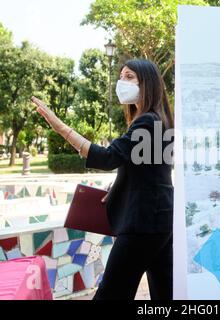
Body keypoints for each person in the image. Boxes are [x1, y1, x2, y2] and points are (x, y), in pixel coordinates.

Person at [31, 59, 174, 300]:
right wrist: (120, 185)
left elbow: (108, 158)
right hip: (159, 221)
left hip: (142, 223)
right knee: (165, 293)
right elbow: (148, 172)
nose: (121, 82)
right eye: (121, 76)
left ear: (146, 82)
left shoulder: (147, 121)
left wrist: (61, 128)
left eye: (129, 77)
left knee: (111, 294)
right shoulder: (159, 120)